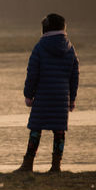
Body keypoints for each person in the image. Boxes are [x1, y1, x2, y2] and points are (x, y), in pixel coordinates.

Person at [15, 13, 79, 173]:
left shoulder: (40, 47)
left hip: (43, 97)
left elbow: (32, 73)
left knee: (36, 129)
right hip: (61, 98)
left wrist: (28, 95)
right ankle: (56, 166)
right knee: (59, 131)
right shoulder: (70, 49)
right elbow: (74, 75)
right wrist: (72, 99)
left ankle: (27, 164)